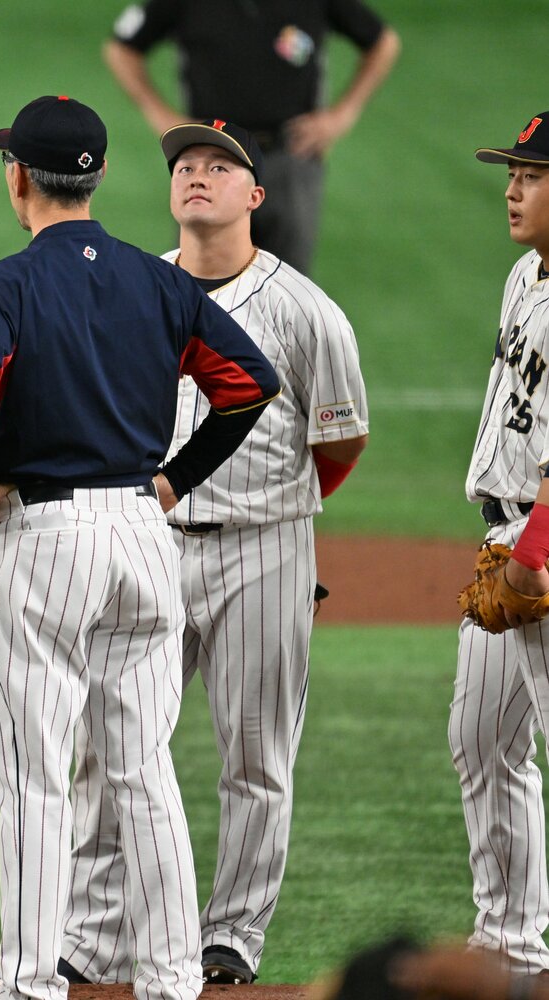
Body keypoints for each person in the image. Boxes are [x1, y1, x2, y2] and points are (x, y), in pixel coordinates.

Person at [0, 96, 281, 1000]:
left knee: (35, 778)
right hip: (143, 537)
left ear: (18, 177)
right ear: (98, 176)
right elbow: (250, 384)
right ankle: (170, 979)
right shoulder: (160, 283)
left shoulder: (7, 285)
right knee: (144, 770)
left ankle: (30, 984)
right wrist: (174, 478)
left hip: (44, 542)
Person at [58, 119, 369, 987]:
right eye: (185, 165)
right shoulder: (133, 289)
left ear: (255, 195)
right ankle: (94, 935)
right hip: (148, 547)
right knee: (108, 744)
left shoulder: (305, 312)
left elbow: (340, 442)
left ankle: (231, 935)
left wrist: (279, 516)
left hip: (264, 552)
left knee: (256, 757)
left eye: (219, 167)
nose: (197, 175)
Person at [446, 110, 549, 977]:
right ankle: (510, 944)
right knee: (480, 737)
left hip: (539, 543)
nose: (512, 189)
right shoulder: (525, 275)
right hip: (509, 529)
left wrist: (532, 556)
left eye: (532, 176)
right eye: (512, 173)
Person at [103, 0, 400, 275]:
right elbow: (122, 49)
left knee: (287, 288)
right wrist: (162, 117)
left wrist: (343, 114)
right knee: (201, 285)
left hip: (290, 157)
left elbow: (383, 42)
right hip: (212, 158)